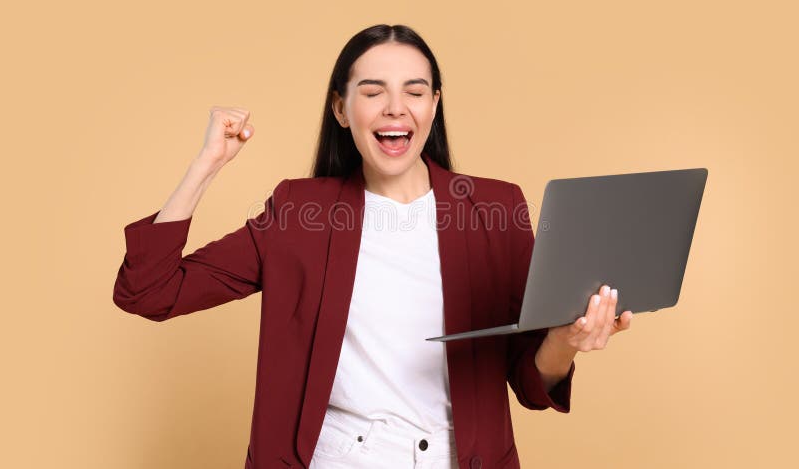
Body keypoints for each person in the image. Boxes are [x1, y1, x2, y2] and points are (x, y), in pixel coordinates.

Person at [113, 24, 633, 469]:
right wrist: (206, 164)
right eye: (372, 91)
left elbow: (530, 381)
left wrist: (566, 340)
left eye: (414, 91)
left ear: (434, 105)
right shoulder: (298, 213)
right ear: (341, 109)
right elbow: (149, 291)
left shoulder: (495, 210)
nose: (395, 108)